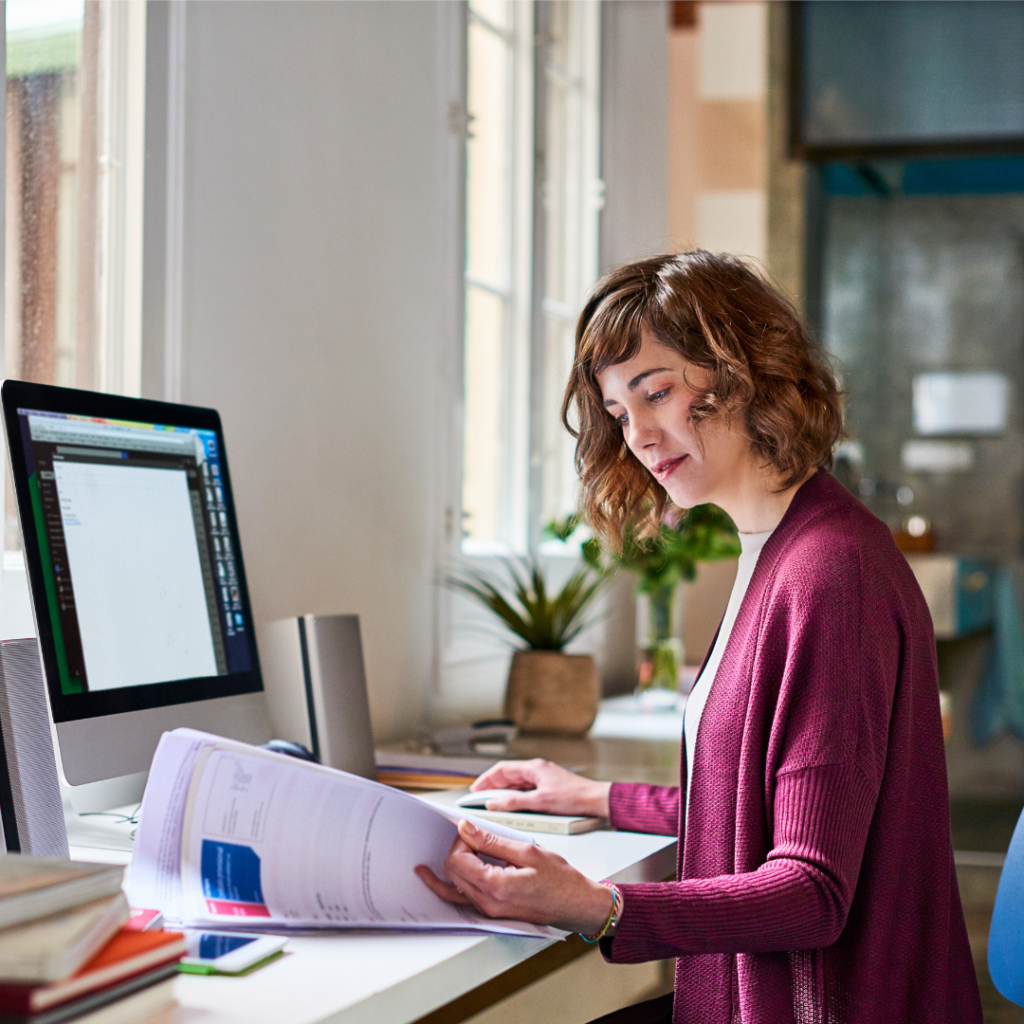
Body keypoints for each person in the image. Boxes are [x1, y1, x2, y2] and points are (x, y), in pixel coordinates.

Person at [415, 252, 982, 1024]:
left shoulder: (830, 573)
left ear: (746, 371)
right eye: (619, 413)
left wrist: (598, 905)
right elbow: (768, 799)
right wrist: (597, 797)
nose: (640, 436)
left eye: (658, 392)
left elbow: (813, 892)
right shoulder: (777, 544)